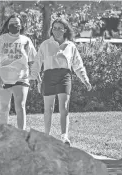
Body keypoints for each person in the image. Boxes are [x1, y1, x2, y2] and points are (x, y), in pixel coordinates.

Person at [30, 18, 92, 146]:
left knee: (64, 108)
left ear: (65, 30)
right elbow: (37, 62)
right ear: (51, 30)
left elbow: (78, 65)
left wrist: (85, 79)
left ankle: (64, 137)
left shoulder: (70, 46)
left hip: (64, 76)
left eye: (60, 28)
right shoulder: (46, 44)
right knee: (49, 108)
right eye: (54, 28)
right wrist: (34, 77)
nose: (56, 30)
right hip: (48, 76)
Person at [0, 14, 37, 130]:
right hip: (4, 78)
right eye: (12, 23)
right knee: (4, 107)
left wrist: (35, 76)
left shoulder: (26, 40)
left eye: (17, 23)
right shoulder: (0, 40)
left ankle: (21, 134)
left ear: (21, 25)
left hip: (21, 78)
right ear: (7, 26)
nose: (15, 25)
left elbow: (32, 60)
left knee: (20, 106)